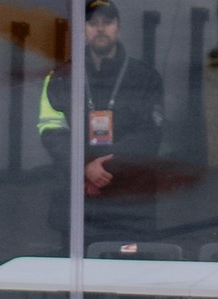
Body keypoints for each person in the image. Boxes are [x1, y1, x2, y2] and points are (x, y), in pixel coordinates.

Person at [39, 0, 166, 243]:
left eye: (107, 22)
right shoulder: (60, 78)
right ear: (82, 29)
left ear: (118, 28)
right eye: (92, 22)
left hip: (129, 206)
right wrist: (84, 165)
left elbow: (150, 135)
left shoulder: (146, 78)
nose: (100, 28)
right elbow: (51, 130)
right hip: (78, 205)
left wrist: (101, 166)